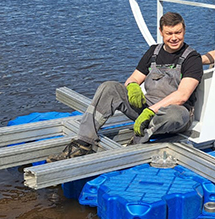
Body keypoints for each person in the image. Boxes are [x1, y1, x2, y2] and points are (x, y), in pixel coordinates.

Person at [48, 12, 203, 161]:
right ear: (161, 32)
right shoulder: (153, 52)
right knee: (109, 88)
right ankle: (83, 141)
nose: (174, 38)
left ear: (184, 31)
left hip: (174, 113)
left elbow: (182, 95)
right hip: (147, 107)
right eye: (169, 33)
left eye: (178, 32)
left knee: (174, 114)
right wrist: (133, 87)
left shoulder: (192, 58)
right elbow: (133, 78)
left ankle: (136, 141)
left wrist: (151, 111)